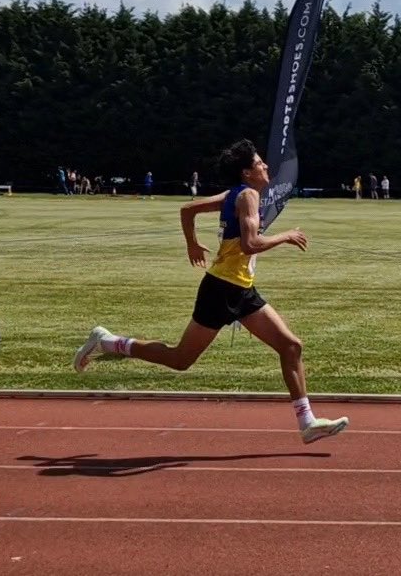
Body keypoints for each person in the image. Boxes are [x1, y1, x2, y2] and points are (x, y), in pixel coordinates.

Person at [73, 139, 349, 445]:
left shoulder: (235, 194)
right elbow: (250, 244)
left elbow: (188, 210)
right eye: (260, 163)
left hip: (240, 289)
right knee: (180, 359)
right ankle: (108, 342)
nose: (266, 166)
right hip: (221, 290)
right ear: (247, 173)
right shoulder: (247, 196)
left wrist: (192, 243)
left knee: (291, 346)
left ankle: (307, 423)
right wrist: (286, 236)